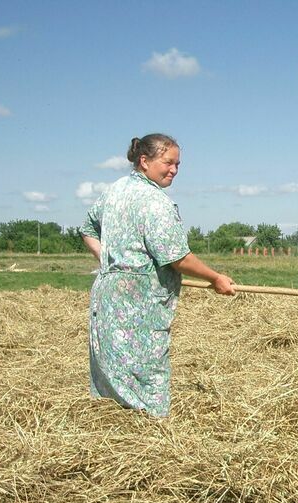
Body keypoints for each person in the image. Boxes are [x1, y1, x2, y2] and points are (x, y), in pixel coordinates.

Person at [80, 133, 235, 417]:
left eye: (178, 165)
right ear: (144, 161)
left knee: (113, 364)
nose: (174, 170)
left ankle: (114, 424)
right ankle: (150, 429)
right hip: (139, 301)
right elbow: (178, 258)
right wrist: (215, 278)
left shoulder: (115, 191)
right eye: (168, 163)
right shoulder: (155, 203)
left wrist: (110, 261)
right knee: (146, 368)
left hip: (107, 294)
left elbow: (88, 229)